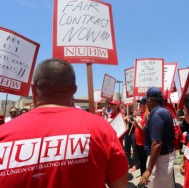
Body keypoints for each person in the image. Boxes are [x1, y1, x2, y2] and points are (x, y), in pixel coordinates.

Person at [0, 59, 128, 188]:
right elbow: (120, 184)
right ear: (74, 90)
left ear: (33, 89)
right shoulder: (101, 129)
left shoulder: (3, 134)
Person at [140, 87, 176, 188]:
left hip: (159, 160)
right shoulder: (164, 111)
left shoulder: (157, 114)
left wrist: (148, 169)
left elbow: (157, 143)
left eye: (146, 99)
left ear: (150, 100)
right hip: (164, 157)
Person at [133, 96, 149, 176]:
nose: (139, 106)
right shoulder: (140, 113)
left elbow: (143, 128)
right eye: (139, 104)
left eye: (141, 104)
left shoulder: (147, 114)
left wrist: (137, 122)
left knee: (144, 161)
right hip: (138, 141)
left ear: (145, 105)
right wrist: (135, 119)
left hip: (143, 142)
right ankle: (142, 177)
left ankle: (145, 178)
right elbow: (136, 126)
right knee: (141, 160)